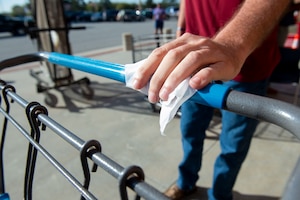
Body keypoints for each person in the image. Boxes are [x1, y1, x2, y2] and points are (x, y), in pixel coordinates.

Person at [132, 0, 290, 200]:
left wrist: (232, 44)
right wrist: (181, 27)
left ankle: (220, 195)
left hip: (245, 65)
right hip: (192, 63)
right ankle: (185, 183)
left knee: (233, 144)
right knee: (190, 131)